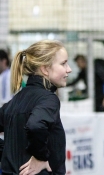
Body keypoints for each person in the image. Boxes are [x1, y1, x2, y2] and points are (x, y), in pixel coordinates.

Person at [0, 40, 72, 175]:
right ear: (45, 69)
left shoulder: (16, 100)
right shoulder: (48, 99)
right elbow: (36, 125)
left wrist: (7, 152)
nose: (69, 69)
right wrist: (41, 156)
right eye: (63, 63)